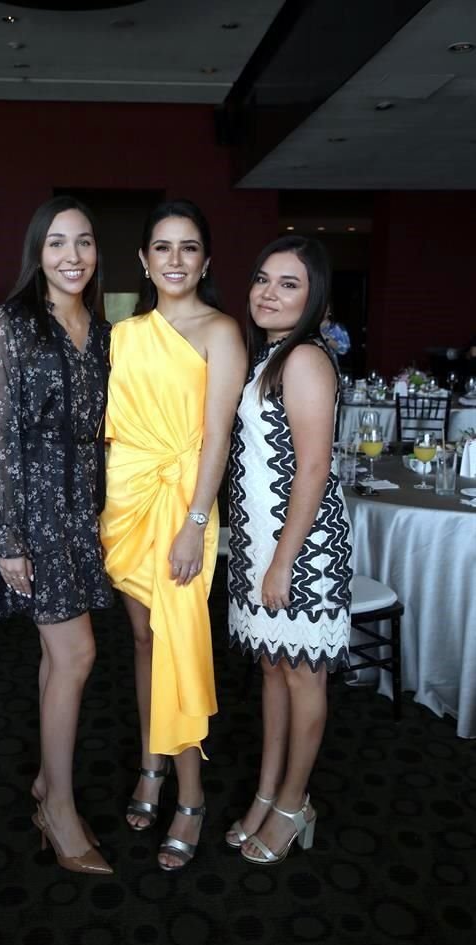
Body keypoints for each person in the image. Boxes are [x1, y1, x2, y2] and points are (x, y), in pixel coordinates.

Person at [100, 199, 246, 871]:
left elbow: (218, 435)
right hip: (128, 499)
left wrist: (193, 523)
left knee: (176, 639)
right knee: (141, 638)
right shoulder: (125, 334)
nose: (176, 259)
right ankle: (150, 765)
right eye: (163, 247)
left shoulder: (221, 330)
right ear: (143, 260)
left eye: (189, 247)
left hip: (187, 505)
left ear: (206, 260)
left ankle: (190, 793)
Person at [0, 195, 113, 875]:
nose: (72, 256)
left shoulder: (102, 325)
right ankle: (57, 807)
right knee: (77, 654)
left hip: (81, 510)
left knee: (58, 656)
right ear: (38, 251)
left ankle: (44, 780)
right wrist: (5, 539)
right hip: (32, 510)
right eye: (58, 242)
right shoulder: (13, 324)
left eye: (84, 242)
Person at [226, 235, 352, 866]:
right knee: (274, 670)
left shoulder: (305, 359)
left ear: (313, 297)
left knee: (302, 676)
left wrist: (282, 562)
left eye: (288, 284)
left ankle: (294, 801)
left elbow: (312, 470)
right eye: (262, 279)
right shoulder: (270, 356)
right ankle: (266, 792)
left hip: (300, 553)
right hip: (261, 546)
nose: (267, 293)